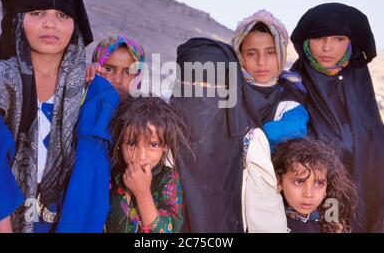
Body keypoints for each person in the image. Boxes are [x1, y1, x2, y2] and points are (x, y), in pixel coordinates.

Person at [0, 0, 94, 233]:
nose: (51, 23)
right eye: (37, 12)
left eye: (63, 15)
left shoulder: (86, 87)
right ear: (18, 19)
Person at [171, 38, 287, 232]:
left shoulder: (250, 142)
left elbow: (268, 223)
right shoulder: (160, 138)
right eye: (192, 84)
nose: (202, 92)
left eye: (212, 84)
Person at [290, 2, 384, 232]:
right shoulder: (292, 85)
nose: (327, 47)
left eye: (338, 39)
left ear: (351, 44)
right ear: (305, 43)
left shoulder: (358, 80)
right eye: (319, 38)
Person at [105, 97, 192, 233]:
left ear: (165, 146)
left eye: (153, 144)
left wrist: (143, 193)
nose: (141, 156)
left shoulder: (168, 180)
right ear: (119, 143)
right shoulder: (108, 175)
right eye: (132, 143)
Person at [231, 9, 309, 150]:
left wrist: (254, 136)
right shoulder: (228, 91)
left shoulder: (290, 94)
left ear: (281, 53)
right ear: (240, 57)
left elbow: (294, 129)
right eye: (251, 53)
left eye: (270, 52)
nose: (261, 61)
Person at [272, 138, 357, 233]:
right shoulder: (267, 223)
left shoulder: (332, 225)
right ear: (279, 182)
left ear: (327, 187)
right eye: (299, 182)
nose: (309, 194)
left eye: (318, 183)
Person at [86, 35, 145, 100]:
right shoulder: (78, 101)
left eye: (128, 72)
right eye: (109, 69)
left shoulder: (144, 109)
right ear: (95, 70)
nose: (117, 80)